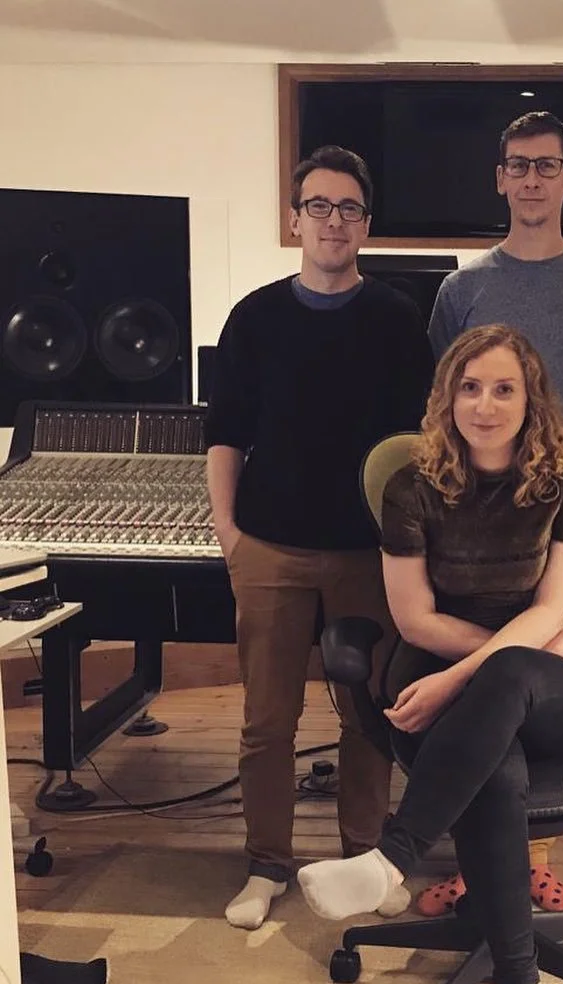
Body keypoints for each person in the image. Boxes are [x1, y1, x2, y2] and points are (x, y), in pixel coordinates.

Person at [297, 324, 563, 984]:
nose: (485, 405)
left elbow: (555, 604)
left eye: (504, 389)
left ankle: (393, 858)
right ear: (447, 398)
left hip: (549, 684)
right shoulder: (414, 485)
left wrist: (457, 678)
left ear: (533, 400)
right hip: (474, 661)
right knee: (497, 766)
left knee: (509, 680)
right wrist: (482, 665)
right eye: (470, 388)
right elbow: (414, 620)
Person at [204, 145, 435, 929]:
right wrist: (230, 534)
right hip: (269, 546)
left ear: (365, 224)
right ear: (294, 217)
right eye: (318, 206)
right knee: (267, 721)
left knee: (366, 715)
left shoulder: (399, 319)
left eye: (347, 209)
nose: (332, 221)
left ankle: (361, 857)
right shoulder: (255, 317)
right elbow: (225, 435)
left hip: (368, 553)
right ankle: (266, 864)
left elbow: (418, 444)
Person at [425, 109, 563, 913]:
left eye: (547, 166)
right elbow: (444, 406)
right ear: (500, 177)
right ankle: (481, 857)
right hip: (481, 525)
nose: (531, 179)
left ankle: (528, 857)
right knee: (491, 680)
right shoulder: (462, 288)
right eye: (518, 165)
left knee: (548, 682)